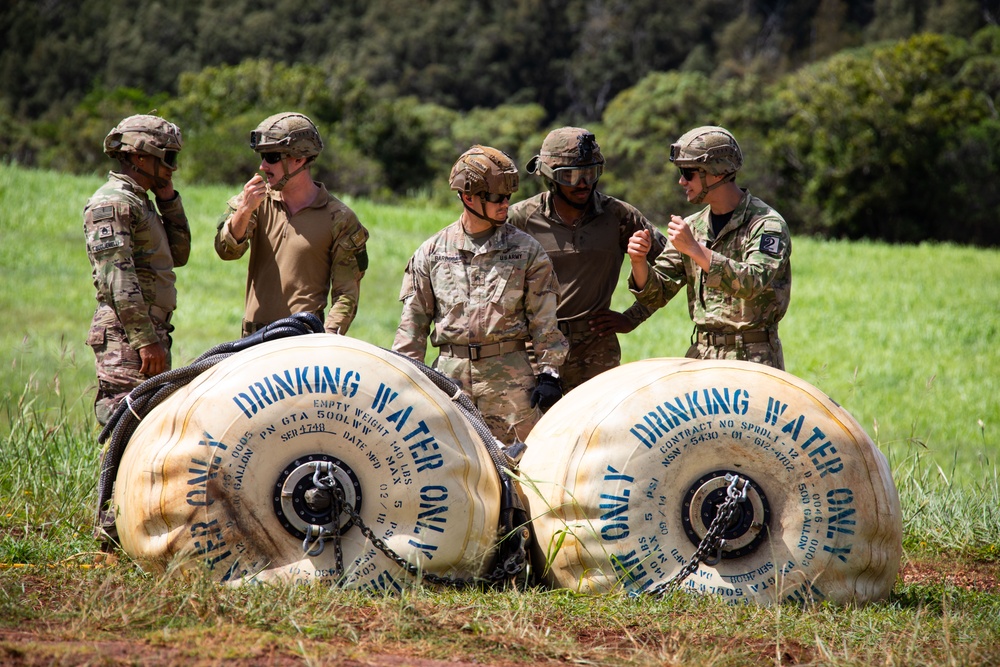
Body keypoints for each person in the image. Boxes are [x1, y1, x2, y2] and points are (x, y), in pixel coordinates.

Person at [392, 145, 568, 443]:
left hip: (511, 388)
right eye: (497, 197)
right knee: (451, 468)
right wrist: (402, 382)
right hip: (448, 385)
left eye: (508, 197)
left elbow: (544, 322)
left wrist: (550, 373)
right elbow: (413, 326)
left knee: (519, 471)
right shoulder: (433, 252)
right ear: (467, 196)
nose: (505, 204)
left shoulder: (526, 251)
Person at [507, 127, 667, 393]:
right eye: (569, 176)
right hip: (533, 352)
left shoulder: (619, 216)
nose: (582, 184)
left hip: (596, 352)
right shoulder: (520, 219)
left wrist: (633, 316)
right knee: (534, 433)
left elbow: (676, 266)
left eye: (590, 174)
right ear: (549, 177)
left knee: (599, 432)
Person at [627, 125, 791, 369]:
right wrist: (638, 261)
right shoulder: (692, 227)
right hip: (702, 356)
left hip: (754, 360)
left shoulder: (767, 225)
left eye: (688, 172)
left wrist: (695, 250)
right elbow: (656, 293)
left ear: (716, 172)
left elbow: (752, 282)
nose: (682, 181)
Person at [215, 112, 369, 336]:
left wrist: (327, 340)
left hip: (302, 342)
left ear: (300, 158)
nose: (263, 166)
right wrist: (245, 210)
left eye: (273, 157)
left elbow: (346, 294)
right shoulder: (254, 201)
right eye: (262, 157)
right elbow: (226, 251)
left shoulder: (340, 219)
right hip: (253, 341)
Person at [84, 114, 190, 425]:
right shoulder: (114, 203)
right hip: (127, 337)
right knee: (127, 430)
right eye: (168, 158)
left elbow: (179, 254)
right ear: (140, 156)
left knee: (148, 433)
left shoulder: (141, 201)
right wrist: (145, 341)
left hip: (146, 333)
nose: (173, 168)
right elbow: (118, 279)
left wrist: (169, 200)